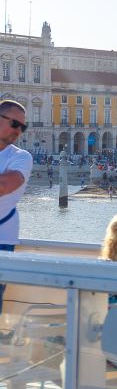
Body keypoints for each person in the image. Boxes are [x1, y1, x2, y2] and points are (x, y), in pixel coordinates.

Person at [0, 101, 33, 310]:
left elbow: (5, 185)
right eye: (14, 124)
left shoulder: (21, 157)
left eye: (23, 126)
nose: (19, 131)